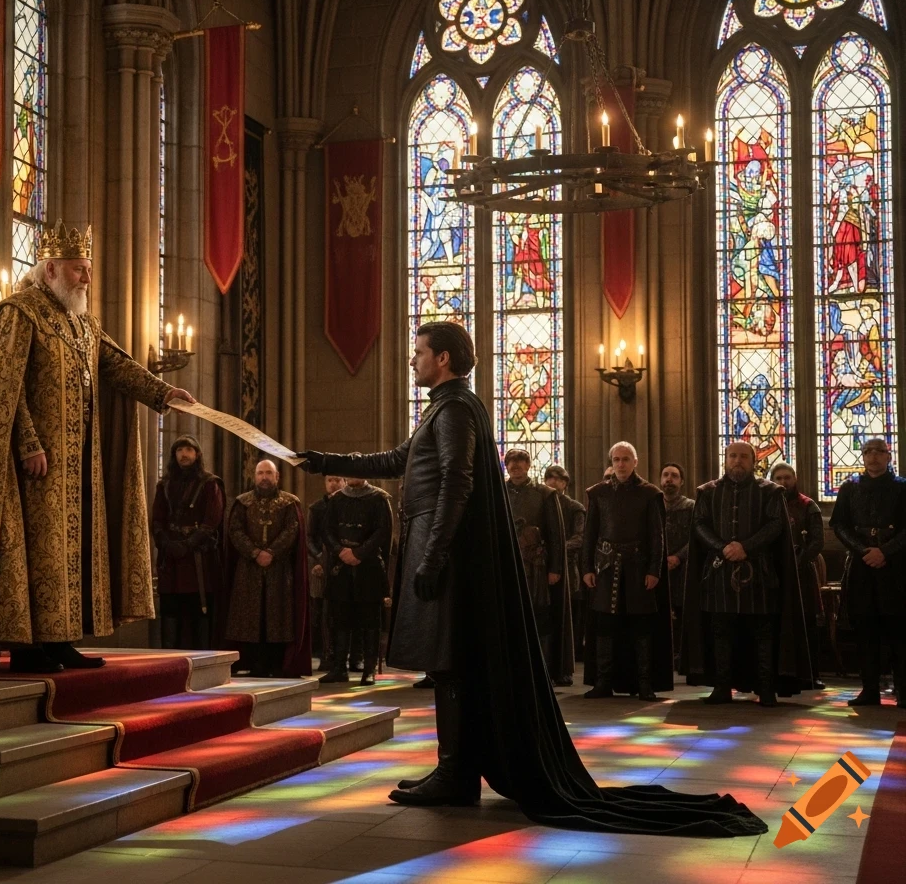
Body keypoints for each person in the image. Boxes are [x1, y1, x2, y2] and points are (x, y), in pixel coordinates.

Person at [299, 321, 766, 836]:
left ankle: (457, 772)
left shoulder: (455, 408)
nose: (412, 360)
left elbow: (458, 479)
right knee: (448, 666)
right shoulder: (443, 406)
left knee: (451, 664)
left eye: (419, 353)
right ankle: (453, 767)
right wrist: (319, 459)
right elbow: (394, 460)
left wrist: (432, 556)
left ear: (444, 360)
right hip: (437, 545)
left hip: (444, 551)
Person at [0, 221, 194, 672]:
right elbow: (5, 387)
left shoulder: (82, 323)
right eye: (78, 270)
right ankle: (28, 647)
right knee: (38, 552)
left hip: (79, 463)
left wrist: (162, 393)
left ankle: (62, 639)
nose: (87, 279)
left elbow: (116, 365)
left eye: (88, 270)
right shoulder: (18, 312)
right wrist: (28, 443)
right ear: (49, 270)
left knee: (73, 551)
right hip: (35, 463)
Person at [681, 442, 814, 706]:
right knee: (721, 631)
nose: (737, 460)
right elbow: (699, 524)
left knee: (762, 632)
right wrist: (723, 548)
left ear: (754, 462)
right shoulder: (707, 492)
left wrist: (746, 547)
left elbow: (776, 524)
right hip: (719, 574)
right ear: (725, 460)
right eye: (733, 456)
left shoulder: (771, 492)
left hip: (761, 574)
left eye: (743, 456)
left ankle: (765, 688)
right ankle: (722, 687)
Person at [581, 443, 671, 701]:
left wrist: (655, 569)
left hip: (638, 567)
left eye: (626, 460)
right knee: (605, 626)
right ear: (611, 461)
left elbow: (657, 536)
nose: (621, 464)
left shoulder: (650, 494)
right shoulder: (598, 493)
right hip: (606, 568)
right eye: (617, 459)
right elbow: (590, 534)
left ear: (635, 462)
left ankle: (644, 683)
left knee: (640, 626)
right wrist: (587, 568)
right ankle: (603, 682)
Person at [830, 438, 906, 707]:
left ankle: (903, 690)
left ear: (889, 456)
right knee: (865, 627)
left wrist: (885, 551)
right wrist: (864, 551)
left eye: (879, 452)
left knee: (899, 629)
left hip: (895, 566)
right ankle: (869, 689)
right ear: (862, 457)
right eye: (867, 452)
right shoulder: (850, 487)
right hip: (862, 566)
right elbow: (839, 524)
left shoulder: (902, 487)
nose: (873, 456)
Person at [223, 459, 310, 677]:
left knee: (278, 616)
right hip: (248, 569)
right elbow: (235, 531)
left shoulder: (290, 503)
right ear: (254, 476)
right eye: (260, 473)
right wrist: (254, 553)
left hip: (279, 570)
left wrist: (271, 553)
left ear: (277, 476)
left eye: (268, 473)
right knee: (251, 616)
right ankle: (254, 663)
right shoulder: (243, 502)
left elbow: (292, 531)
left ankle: (277, 664)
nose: (264, 477)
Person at [151, 435, 225, 650]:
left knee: (199, 610)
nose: (184, 454)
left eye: (189, 450)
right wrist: (165, 543)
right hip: (171, 559)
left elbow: (212, 521)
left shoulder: (210, 484)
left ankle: (203, 661)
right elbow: (157, 520)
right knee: (171, 608)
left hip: (198, 559)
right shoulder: (164, 485)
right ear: (174, 455)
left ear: (197, 454)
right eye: (180, 450)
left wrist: (188, 544)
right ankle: (169, 661)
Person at [319, 469, 393, 685]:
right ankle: (339, 668)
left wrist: (359, 553)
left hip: (368, 567)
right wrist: (340, 551)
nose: (353, 476)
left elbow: (383, 531)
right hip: (341, 567)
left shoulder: (378, 498)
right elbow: (327, 530)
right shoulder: (337, 500)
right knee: (340, 618)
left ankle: (368, 670)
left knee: (370, 620)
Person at [503, 448, 564, 681]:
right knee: (509, 615)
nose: (516, 467)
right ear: (506, 466)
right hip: (508, 564)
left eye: (520, 462)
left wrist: (555, 568)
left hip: (537, 567)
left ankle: (543, 669)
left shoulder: (544, 494)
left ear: (528, 465)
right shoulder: (498, 493)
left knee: (540, 616)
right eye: (511, 463)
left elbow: (555, 535)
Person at [769, 461, 826, 688]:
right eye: (778, 479)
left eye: (787, 478)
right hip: (773, 574)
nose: (783, 483)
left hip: (802, 573)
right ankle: (773, 674)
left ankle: (811, 674)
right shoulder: (766, 505)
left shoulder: (808, 506)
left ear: (795, 480)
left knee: (807, 623)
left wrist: (796, 562)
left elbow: (817, 541)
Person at [543, 464, 582, 683]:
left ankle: (565, 668)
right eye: (549, 478)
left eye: (557, 479)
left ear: (565, 483)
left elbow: (580, 536)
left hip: (567, 568)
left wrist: (558, 549)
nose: (553, 482)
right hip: (544, 569)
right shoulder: (541, 502)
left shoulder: (574, 507)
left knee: (567, 619)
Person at [307, 475, 345, 671]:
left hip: (344, 565)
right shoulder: (316, 508)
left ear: (345, 481)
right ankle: (325, 656)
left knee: (344, 612)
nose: (334, 483)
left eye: (338, 479)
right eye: (330, 479)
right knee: (321, 614)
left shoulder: (350, 505)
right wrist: (319, 559)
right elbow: (309, 538)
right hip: (321, 567)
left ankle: (348, 656)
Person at [661, 463, 695, 664]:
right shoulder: (655, 504)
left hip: (684, 567)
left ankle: (682, 655)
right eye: (665, 475)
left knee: (682, 612)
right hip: (659, 566)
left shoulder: (690, 506)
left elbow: (696, 537)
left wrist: (678, 557)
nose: (669, 479)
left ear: (681, 481)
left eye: (674, 476)